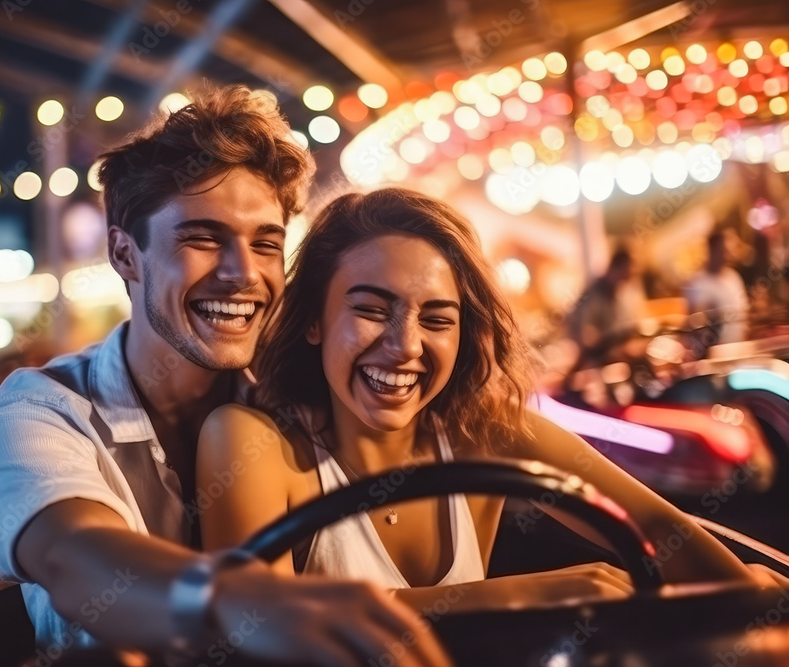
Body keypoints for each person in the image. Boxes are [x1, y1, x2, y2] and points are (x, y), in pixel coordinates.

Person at [0, 86, 450, 667]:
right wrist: (236, 601)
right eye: (203, 238)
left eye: (266, 244)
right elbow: (74, 554)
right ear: (125, 255)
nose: (242, 274)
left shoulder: (305, 399)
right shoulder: (39, 411)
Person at [198, 188, 760, 613]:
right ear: (315, 321)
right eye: (371, 310)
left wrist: (760, 608)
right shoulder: (252, 443)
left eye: (437, 319)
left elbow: (656, 527)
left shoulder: (486, 431)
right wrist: (516, 596)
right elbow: (258, 622)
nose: (405, 347)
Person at [566, 247, 645, 370]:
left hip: (619, 360)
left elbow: (631, 326)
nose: (626, 282)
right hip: (598, 362)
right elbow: (587, 336)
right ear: (614, 268)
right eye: (625, 276)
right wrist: (614, 348)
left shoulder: (621, 292)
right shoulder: (594, 294)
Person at [684, 229, 750, 348]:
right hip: (713, 353)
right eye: (724, 250)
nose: (729, 255)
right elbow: (695, 325)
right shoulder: (697, 283)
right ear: (712, 249)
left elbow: (743, 313)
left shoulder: (733, 277)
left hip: (737, 348)